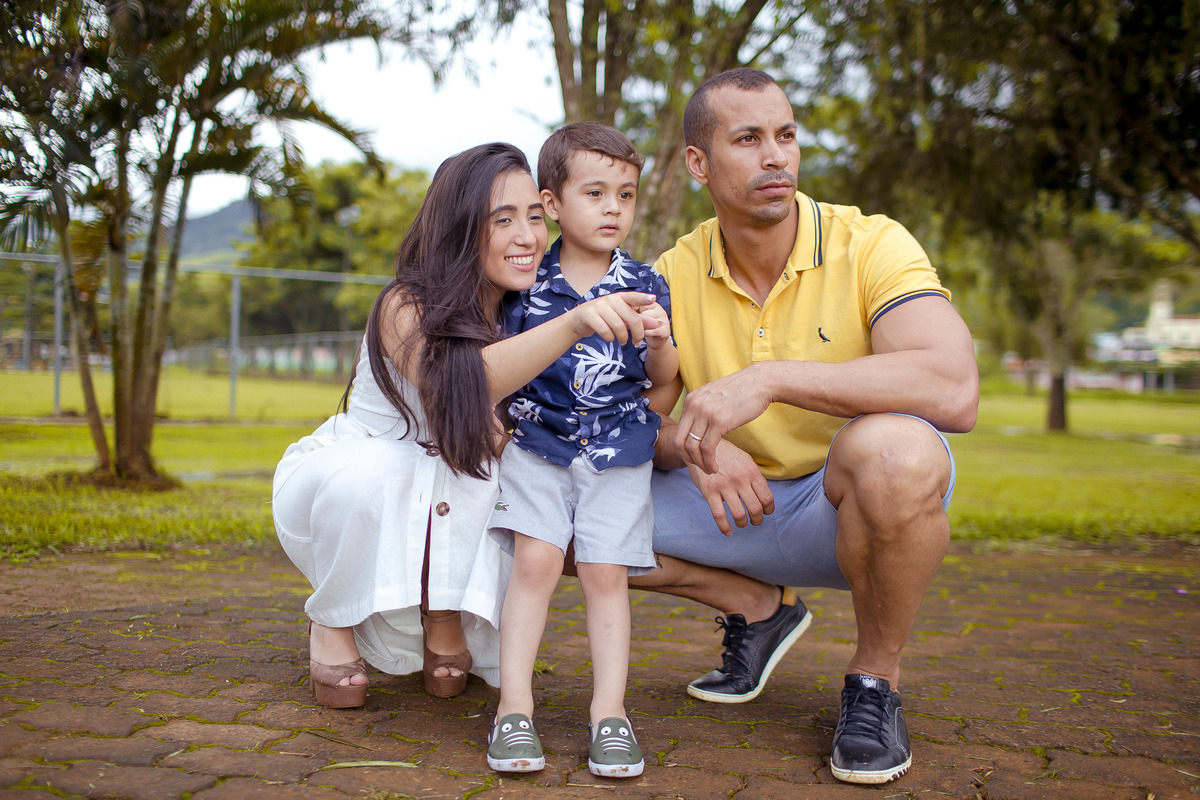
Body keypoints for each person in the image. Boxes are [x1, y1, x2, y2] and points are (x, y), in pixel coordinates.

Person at [630, 68, 980, 785]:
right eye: (749, 138)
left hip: (840, 510)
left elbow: (954, 385)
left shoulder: (870, 243)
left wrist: (772, 377)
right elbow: (631, 416)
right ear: (698, 162)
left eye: (786, 135)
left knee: (900, 452)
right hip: (730, 505)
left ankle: (873, 683)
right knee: (552, 506)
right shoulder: (671, 271)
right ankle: (755, 609)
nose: (775, 156)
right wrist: (695, 446)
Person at [271, 142, 662, 710]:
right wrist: (574, 324)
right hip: (359, 474)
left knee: (506, 475)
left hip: (458, 483)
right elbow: (459, 386)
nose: (528, 236)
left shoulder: (522, 310)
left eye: (534, 215)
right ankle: (331, 618)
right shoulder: (406, 304)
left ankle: (444, 612)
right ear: (460, 228)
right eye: (503, 219)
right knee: (408, 465)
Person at [485, 123, 678, 778]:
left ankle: (610, 713)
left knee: (605, 574)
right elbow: (499, 367)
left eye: (625, 195)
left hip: (617, 453)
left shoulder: (647, 281)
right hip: (537, 445)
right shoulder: (524, 283)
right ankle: (514, 706)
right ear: (552, 204)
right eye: (595, 193)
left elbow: (665, 377)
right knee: (536, 564)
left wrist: (659, 339)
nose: (613, 209)